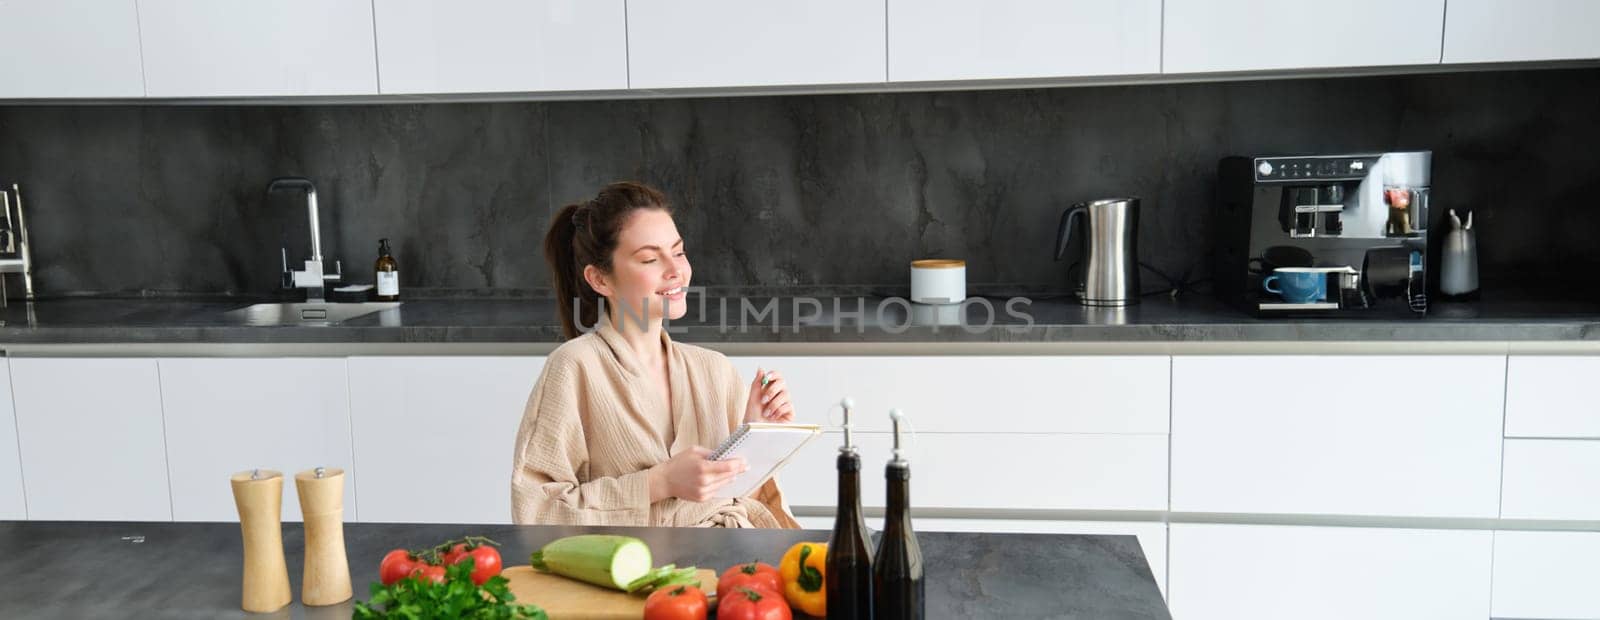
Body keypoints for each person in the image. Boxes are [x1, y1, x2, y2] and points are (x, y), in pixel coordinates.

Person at [511, 181, 800, 528]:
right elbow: (536, 512)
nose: (675, 270)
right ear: (600, 280)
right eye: (650, 258)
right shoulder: (574, 368)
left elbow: (745, 502)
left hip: (728, 566)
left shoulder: (715, 370)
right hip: (630, 576)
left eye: (678, 252)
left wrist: (754, 438)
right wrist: (658, 483)